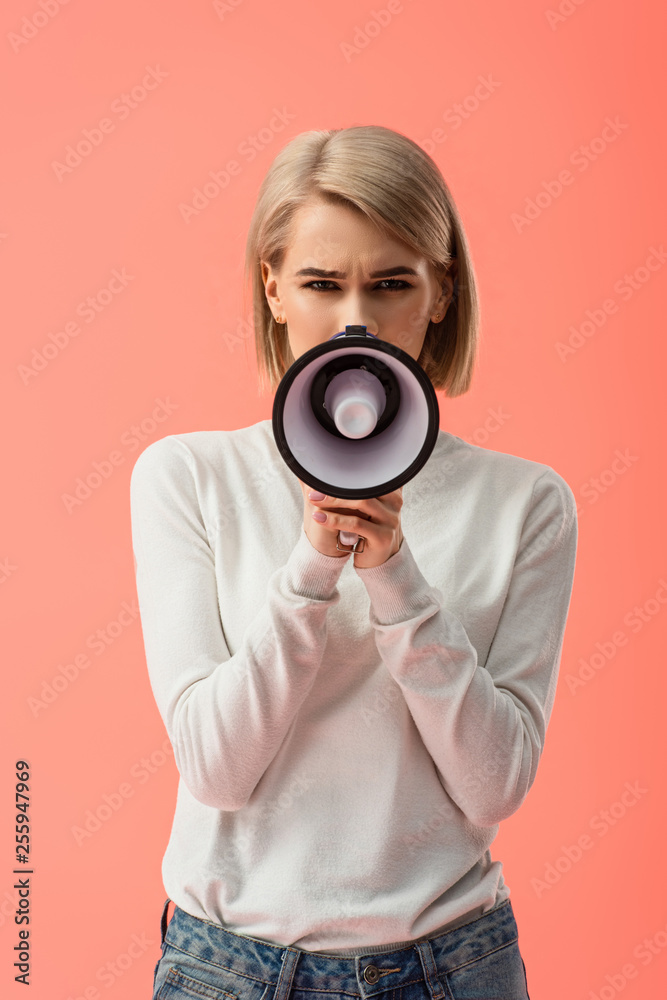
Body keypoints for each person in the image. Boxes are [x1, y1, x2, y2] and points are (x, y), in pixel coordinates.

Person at [131, 125, 577, 1000]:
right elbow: (216, 769)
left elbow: (492, 787)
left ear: (440, 292)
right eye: (321, 284)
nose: (356, 322)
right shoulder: (187, 478)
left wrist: (397, 578)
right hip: (227, 968)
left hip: (448, 967)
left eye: (391, 284)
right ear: (273, 290)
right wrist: (309, 568)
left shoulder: (526, 503)